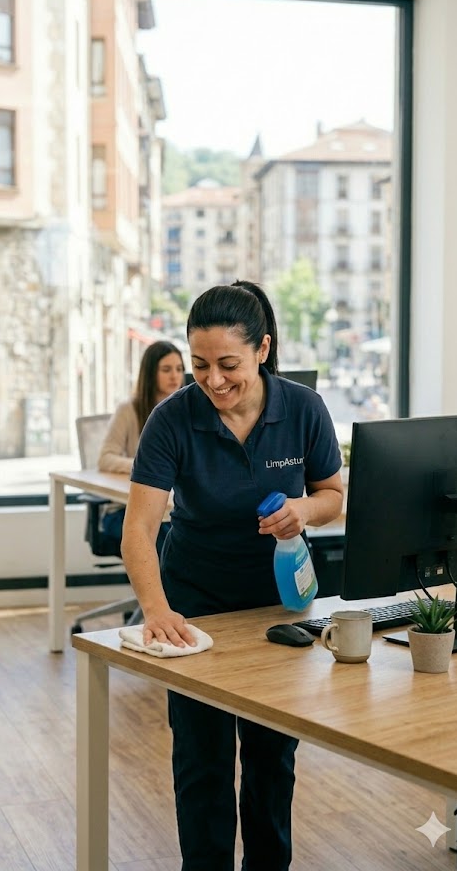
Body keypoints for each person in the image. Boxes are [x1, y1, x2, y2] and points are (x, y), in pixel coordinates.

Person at [121, 280, 343, 871]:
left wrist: (305, 511)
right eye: (198, 366)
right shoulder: (172, 419)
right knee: (203, 758)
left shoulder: (302, 408)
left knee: (273, 756)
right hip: (196, 601)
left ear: (263, 349)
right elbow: (139, 530)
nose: (213, 381)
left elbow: (334, 495)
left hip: (278, 602)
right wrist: (159, 609)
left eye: (228, 364)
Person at [97, 340, 185, 549]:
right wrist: (150, 467)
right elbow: (106, 458)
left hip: (172, 509)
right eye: (166, 369)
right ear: (150, 372)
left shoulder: (185, 412)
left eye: (179, 369)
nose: (175, 376)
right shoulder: (129, 410)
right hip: (125, 510)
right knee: (170, 538)